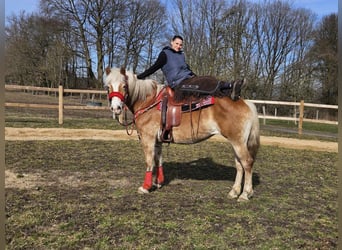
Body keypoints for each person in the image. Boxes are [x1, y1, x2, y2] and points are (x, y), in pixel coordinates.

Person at [137, 35, 245, 101]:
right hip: (178, 85)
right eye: (177, 43)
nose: (178, 46)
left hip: (188, 79)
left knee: (207, 79)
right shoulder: (164, 54)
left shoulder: (181, 55)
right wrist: (139, 77)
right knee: (205, 83)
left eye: (180, 45)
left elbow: (187, 69)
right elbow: (154, 68)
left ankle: (229, 91)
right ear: (172, 42)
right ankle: (229, 85)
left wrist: (197, 76)